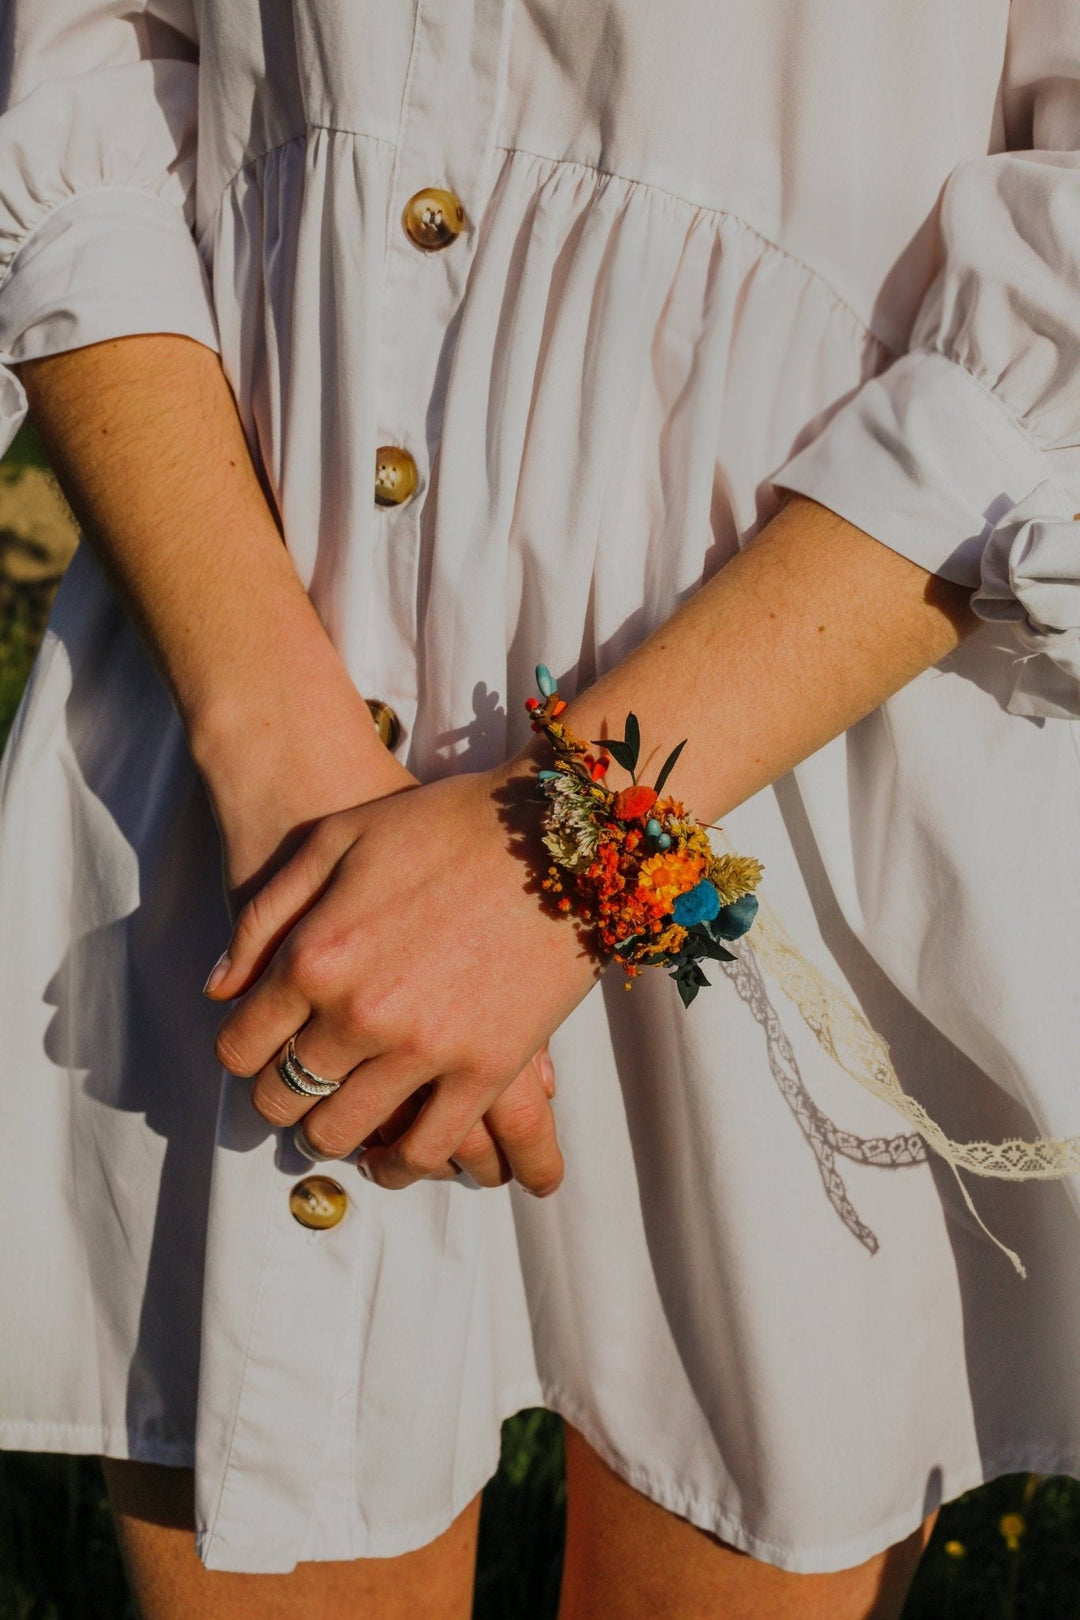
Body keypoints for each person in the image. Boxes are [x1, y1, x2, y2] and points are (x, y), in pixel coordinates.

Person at [3, 1, 1080, 1616]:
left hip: (804, 720)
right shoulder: (265, 770)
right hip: (239, 677)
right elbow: (77, 66)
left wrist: (562, 852)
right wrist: (281, 754)